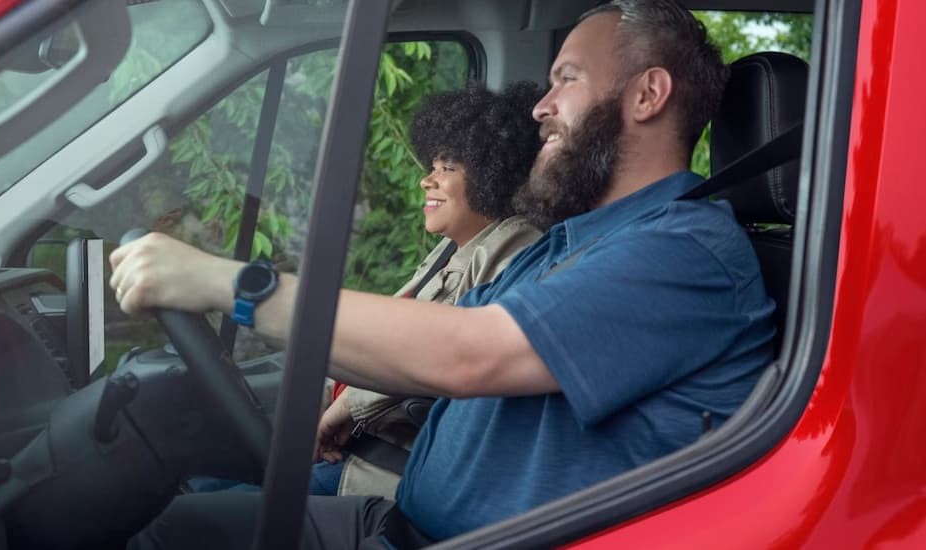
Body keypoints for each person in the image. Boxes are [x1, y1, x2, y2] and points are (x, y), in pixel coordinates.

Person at [112, 1, 776, 547]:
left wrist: (232, 286)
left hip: (460, 540)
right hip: (403, 523)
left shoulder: (685, 250)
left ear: (646, 94)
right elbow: (441, 337)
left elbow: (470, 354)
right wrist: (351, 400)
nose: (540, 107)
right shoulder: (570, 242)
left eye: (565, 78)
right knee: (158, 521)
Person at [315, 81, 543, 498]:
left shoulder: (514, 245)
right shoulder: (452, 248)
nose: (427, 181)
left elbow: (441, 350)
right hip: (359, 455)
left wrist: (342, 410)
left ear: (495, 173)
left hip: (389, 476)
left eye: (447, 168)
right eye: (432, 165)